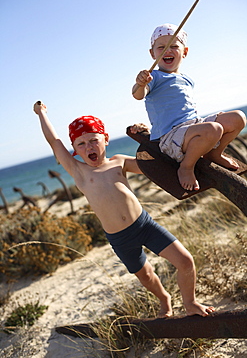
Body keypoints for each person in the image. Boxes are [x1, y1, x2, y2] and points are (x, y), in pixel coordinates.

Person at [33, 101, 215, 318]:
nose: (89, 147)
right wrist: (41, 113)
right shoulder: (78, 171)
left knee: (185, 262)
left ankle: (191, 302)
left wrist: (147, 138)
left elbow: (153, 166)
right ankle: (164, 299)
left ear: (106, 139)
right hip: (119, 238)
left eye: (93, 140)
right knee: (146, 275)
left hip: (144, 225)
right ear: (74, 150)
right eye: (81, 144)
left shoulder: (119, 162)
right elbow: (54, 142)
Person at [132, 23, 246, 191]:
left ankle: (214, 153)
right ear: (152, 53)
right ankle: (186, 166)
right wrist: (139, 83)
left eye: (174, 46)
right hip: (170, 136)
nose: (167, 51)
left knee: (238, 117)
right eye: (161, 47)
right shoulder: (153, 77)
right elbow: (138, 94)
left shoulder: (187, 79)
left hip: (193, 126)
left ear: (184, 52)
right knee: (213, 129)